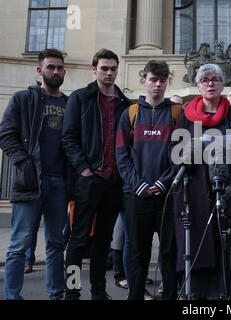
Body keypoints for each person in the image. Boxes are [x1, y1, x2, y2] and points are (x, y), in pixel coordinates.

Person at [169, 64, 231, 299]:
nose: (210, 84)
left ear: (222, 84)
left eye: (215, 79)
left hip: (230, 189)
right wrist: (199, 148)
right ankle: (197, 292)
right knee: (197, 240)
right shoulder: (186, 117)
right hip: (195, 190)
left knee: (229, 241)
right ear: (198, 86)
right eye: (205, 80)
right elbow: (175, 153)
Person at [62, 49, 132, 300]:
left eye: (113, 68)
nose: (109, 72)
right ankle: (71, 292)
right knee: (77, 241)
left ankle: (99, 292)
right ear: (94, 69)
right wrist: (84, 169)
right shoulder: (81, 98)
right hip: (88, 181)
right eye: (104, 68)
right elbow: (68, 138)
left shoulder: (125, 104)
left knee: (103, 241)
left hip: (114, 183)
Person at [0, 49, 69, 300]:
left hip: (60, 183)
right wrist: (24, 163)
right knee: (19, 246)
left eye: (60, 68)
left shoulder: (69, 103)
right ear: (40, 70)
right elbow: (6, 135)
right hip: (31, 182)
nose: (56, 72)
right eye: (51, 67)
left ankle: (56, 295)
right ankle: (12, 297)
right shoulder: (23, 99)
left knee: (55, 245)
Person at [116, 60, 178, 300]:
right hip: (137, 195)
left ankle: (170, 295)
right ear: (143, 81)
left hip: (166, 196)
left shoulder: (176, 113)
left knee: (169, 252)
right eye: (153, 80)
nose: (158, 85)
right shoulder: (129, 114)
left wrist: (164, 183)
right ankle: (136, 295)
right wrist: (138, 184)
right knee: (137, 253)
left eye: (163, 80)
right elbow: (122, 155)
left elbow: (181, 155)